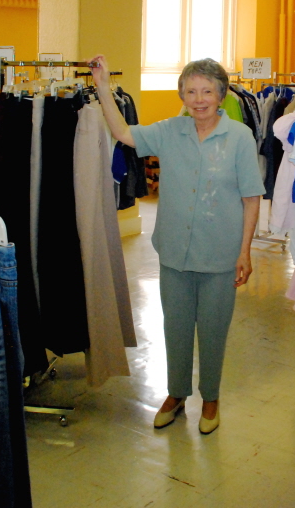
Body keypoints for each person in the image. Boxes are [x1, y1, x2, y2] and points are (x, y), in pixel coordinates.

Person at [90, 55, 264, 435]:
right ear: (182, 95)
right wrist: (103, 86)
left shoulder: (239, 137)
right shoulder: (170, 131)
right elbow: (123, 133)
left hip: (219, 253)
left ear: (221, 94)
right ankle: (176, 393)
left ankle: (211, 397)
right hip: (174, 252)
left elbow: (252, 197)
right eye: (190, 91)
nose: (199, 99)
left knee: (214, 331)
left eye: (207, 91)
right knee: (177, 327)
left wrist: (244, 251)